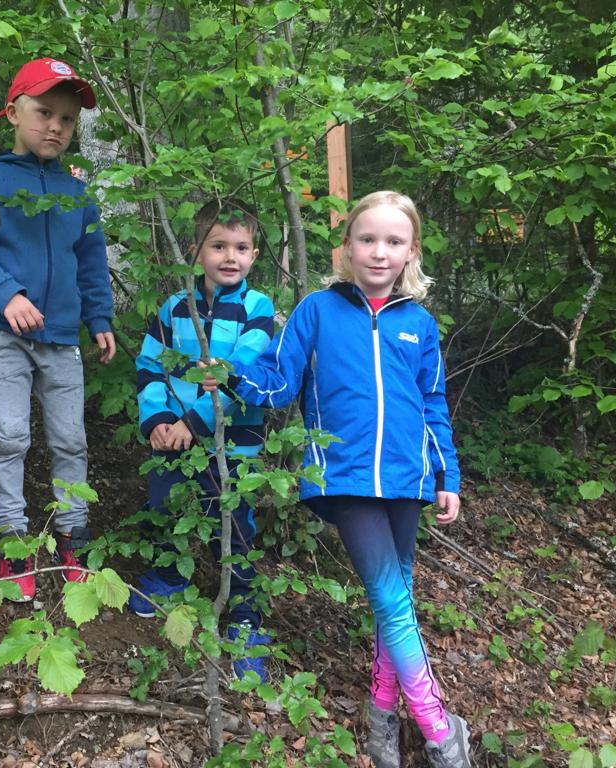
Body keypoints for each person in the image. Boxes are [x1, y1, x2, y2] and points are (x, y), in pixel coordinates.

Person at [202, 191, 472, 767]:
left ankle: (381, 722)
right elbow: (279, 381)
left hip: (408, 478)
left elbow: (433, 403)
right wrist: (227, 373)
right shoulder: (317, 310)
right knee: (392, 601)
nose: (379, 252)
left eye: (393, 242)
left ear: (410, 251)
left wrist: (446, 473)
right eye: (367, 239)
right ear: (346, 246)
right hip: (345, 479)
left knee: (393, 599)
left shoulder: (418, 324)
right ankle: (441, 733)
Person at [0, 57, 115, 601]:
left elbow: (91, 261)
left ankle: (73, 529)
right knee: (9, 436)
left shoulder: (77, 193)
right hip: (2, 334)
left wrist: (100, 318)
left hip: (63, 336)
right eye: (43, 112)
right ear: (13, 113)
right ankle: (12, 534)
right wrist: (7, 294)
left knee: (70, 437)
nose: (55, 127)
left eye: (67, 119)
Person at [131, 199, 275, 682]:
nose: (230, 256)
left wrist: (194, 422)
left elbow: (241, 371)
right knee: (166, 502)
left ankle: (245, 614)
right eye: (218, 246)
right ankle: (171, 578)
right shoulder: (175, 308)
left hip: (235, 439)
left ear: (254, 255)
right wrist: (160, 420)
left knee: (233, 520)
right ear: (196, 251)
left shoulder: (258, 308)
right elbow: (151, 365)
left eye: (241, 247)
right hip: (173, 434)